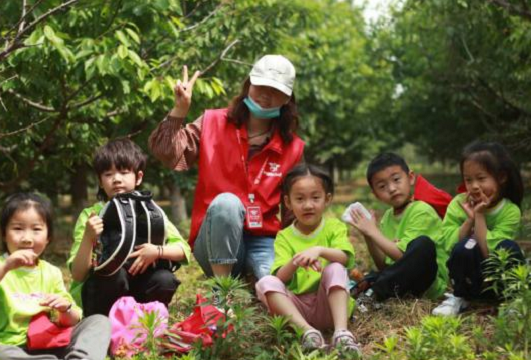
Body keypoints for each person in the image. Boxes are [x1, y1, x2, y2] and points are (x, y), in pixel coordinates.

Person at [149, 55, 304, 280]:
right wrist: (179, 110)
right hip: (213, 237)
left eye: (275, 90)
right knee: (227, 203)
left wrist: (297, 251)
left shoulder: (293, 147)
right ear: (248, 85)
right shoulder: (212, 122)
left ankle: (253, 278)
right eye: (260, 85)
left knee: (275, 282)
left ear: (288, 98)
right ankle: (223, 291)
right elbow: (169, 154)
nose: (266, 95)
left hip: (263, 239)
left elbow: (295, 205)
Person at [0, 193, 111, 360]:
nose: (26, 238)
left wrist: (66, 308)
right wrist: (4, 268)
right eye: (17, 229)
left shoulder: (51, 272)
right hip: (9, 348)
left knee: (99, 321)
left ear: (48, 238)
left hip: (49, 342)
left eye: (36, 229)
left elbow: (71, 320)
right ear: (4, 234)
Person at [68, 138, 191, 316]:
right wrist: (88, 237)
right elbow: (78, 274)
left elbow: (183, 250)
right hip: (102, 299)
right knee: (114, 276)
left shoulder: (150, 212)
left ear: (138, 177)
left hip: (141, 288)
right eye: (108, 174)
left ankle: (145, 324)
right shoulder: (91, 215)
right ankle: (105, 327)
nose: (116, 179)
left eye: (124, 172)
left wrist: (157, 251)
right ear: (100, 182)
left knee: (164, 279)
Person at [255, 164, 359, 354]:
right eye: (300, 199)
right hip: (298, 310)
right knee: (265, 282)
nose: (308, 205)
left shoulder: (334, 227)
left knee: (335, 267)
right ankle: (309, 333)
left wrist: (319, 250)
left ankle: (341, 332)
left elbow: (344, 258)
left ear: (327, 199)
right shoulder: (284, 236)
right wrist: (296, 261)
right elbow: (280, 278)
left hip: (328, 305)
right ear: (288, 202)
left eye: (315, 197)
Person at [432, 141, 524, 316]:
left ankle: (512, 299)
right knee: (464, 246)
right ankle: (460, 297)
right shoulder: (458, 204)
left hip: (498, 281)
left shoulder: (510, 211)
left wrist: (480, 215)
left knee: (509, 248)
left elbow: (491, 253)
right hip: (471, 282)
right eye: (468, 179)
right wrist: (469, 220)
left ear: (501, 177)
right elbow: (449, 246)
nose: (474, 186)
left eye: (481, 178)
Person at [348, 153, 448, 304]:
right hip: (402, 284)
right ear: (375, 194)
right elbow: (383, 264)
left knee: (422, 244)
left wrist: (374, 232)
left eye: (396, 180)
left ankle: (374, 291)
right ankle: (372, 288)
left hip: (428, 284)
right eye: (382, 186)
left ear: (410, 177)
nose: (392, 188)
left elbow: (403, 257)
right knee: (376, 274)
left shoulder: (422, 210)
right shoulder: (388, 217)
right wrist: (368, 236)